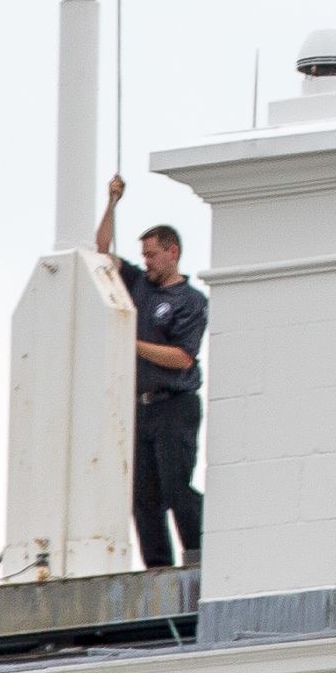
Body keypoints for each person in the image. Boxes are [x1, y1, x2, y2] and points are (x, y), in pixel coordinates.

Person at [96, 175, 206, 569]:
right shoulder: (140, 285)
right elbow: (102, 251)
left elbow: (182, 358)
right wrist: (112, 203)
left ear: (172, 252)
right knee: (143, 496)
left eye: (153, 255)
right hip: (140, 406)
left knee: (177, 487)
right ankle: (156, 566)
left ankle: (197, 557)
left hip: (175, 404)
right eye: (144, 255)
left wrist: (133, 344)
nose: (147, 262)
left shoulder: (190, 301)